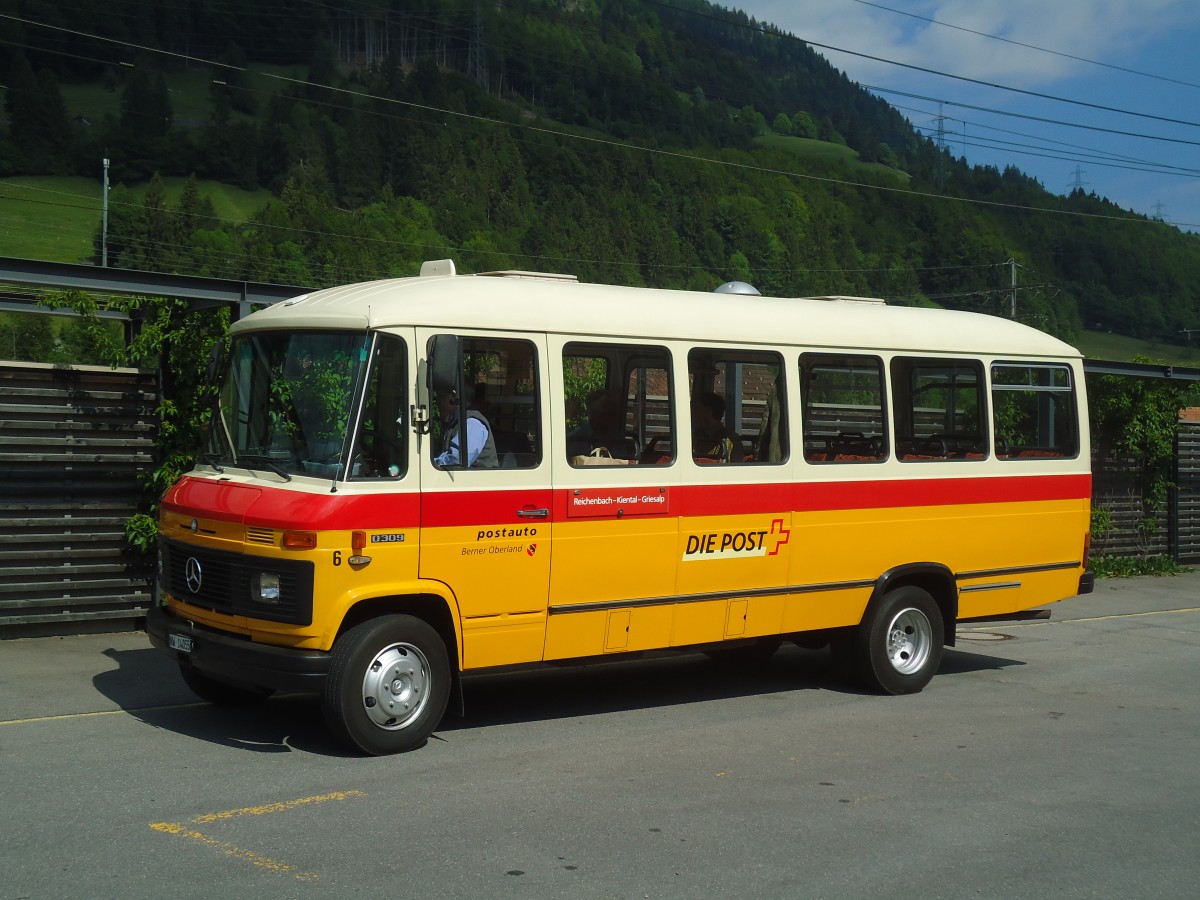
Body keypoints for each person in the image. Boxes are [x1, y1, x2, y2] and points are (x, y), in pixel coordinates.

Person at [434, 387, 498, 468]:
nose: (437, 401)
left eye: (442, 396)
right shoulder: (454, 422)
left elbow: (457, 460)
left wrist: (430, 464)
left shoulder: (472, 423)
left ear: (455, 398)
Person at [567, 389, 630, 457]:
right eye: (603, 411)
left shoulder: (619, 440)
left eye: (611, 412)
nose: (609, 417)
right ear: (591, 412)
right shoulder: (575, 440)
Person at [691, 391, 734, 462]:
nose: (693, 415)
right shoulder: (696, 436)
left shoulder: (730, 440)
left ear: (708, 411)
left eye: (696, 410)